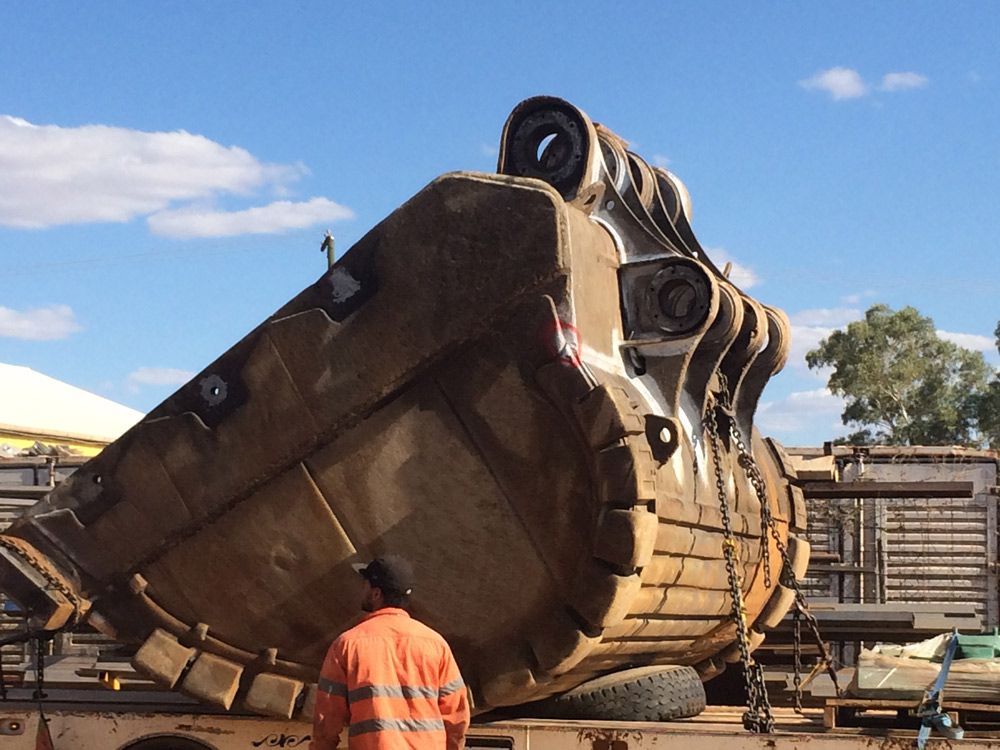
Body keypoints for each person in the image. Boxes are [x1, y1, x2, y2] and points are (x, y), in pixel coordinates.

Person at [310, 555, 470, 750]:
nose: (363, 589)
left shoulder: (347, 645)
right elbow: (456, 714)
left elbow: (327, 718)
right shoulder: (436, 644)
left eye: (366, 585)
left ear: (376, 594)